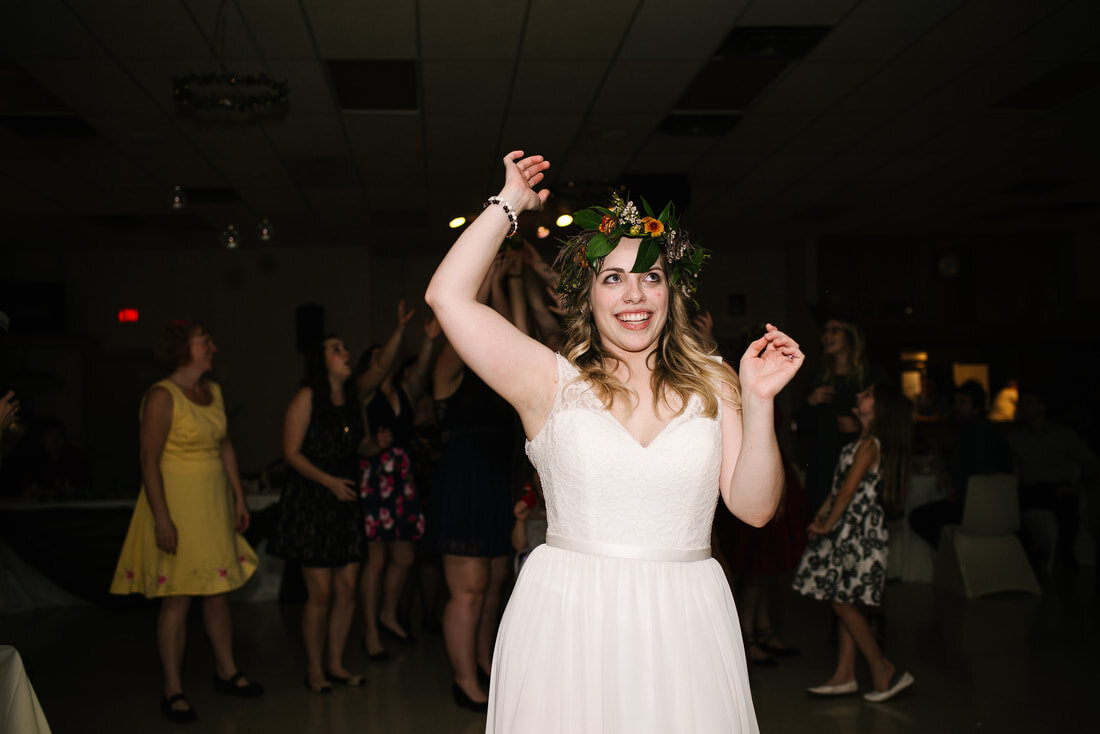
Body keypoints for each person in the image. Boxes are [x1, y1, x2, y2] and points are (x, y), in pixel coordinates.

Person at [425, 150, 804, 732]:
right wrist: (511, 204)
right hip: (569, 614)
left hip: (687, 619)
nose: (634, 294)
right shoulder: (548, 382)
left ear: (671, 293)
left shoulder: (717, 385)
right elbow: (448, 297)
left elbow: (754, 510)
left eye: (651, 276)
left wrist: (758, 401)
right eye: (613, 278)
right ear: (588, 295)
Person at [110, 319, 262, 723]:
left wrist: (238, 497)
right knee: (178, 596)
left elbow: (225, 444)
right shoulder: (162, 396)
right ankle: (173, 689)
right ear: (184, 349)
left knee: (217, 589)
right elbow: (148, 459)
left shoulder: (213, 392)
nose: (213, 347)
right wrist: (162, 518)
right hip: (176, 506)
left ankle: (227, 671)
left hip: (212, 505)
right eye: (205, 341)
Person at [271, 301, 416, 692]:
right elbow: (291, 453)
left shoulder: (353, 400)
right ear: (321, 361)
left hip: (347, 499)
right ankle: (314, 669)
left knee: (348, 589)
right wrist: (328, 482)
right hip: (314, 502)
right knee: (319, 594)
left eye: (344, 348)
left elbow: (364, 443)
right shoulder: (306, 398)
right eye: (336, 349)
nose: (345, 354)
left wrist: (375, 444)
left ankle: (335, 664)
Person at [792, 382, 915, 702]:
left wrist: (827, 524)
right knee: (843, 596)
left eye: (869, 394)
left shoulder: (871, 445)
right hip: (848, 529)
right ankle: (845, 675)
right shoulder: (859, 442)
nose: (860, 397)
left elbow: (848, 492)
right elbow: (837, 489)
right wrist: (822, 515)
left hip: (858, 533)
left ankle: (881, 666)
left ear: (880, 409)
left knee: (842, 601)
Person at [357, 316, 439, 659]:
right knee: (376, 561)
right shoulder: (364, 394)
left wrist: (429, 339)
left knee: (405, 555)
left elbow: (420, 371)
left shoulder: (404, 392)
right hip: (376, 477)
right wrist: (399, 330)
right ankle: (371, 632)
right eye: (379, 358)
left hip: (402, 481)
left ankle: (388, 613)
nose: (387, 362)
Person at [908, 380, 1013, 548]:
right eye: (955, 402)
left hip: (979, 506)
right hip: (999, 504)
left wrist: (957, 488)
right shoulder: (983, 430)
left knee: (919, 518)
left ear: (976, 408)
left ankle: (954, 553)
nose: (956, 407)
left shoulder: (975, 433)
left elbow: (981, 470)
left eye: (962, 403)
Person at [797, 318, 877, 512]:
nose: (827, 336)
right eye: (825, 331)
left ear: (850, 337)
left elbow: (888, 418)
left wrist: (858, 426)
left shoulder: (867, 377)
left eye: (835, 331)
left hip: (856, 459)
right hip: (823, 462)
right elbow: (802, 427)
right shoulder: (818, 377)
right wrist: (811, 402)